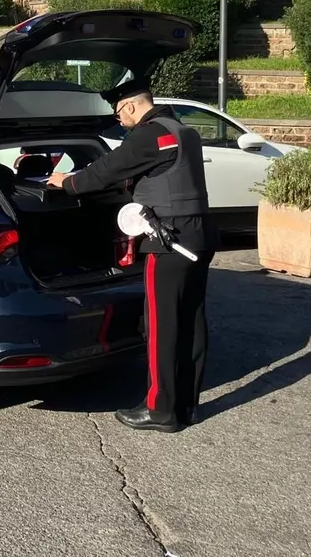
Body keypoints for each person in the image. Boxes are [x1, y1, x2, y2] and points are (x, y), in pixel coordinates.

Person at [45, 79, 217, 433]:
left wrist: (66, 182)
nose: (119, 120)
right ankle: (187, 405)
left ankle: (160, 410)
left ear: (132, 107)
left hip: (167, 243)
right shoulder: (183, 131)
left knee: (162, 326)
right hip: (199, 237)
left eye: (119, 113)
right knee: (191, 322)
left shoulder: (147, 135)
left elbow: (102, 172)